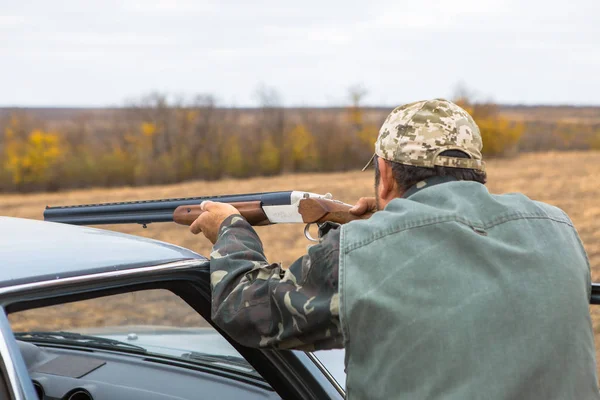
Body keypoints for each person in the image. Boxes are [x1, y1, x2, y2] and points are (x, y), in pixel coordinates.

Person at [190, 99, 600, 399]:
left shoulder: (360, 253)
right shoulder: (557, 227)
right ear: (476, 171)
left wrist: (229, 229)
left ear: (384, 176)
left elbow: (244, 310)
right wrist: (372, 230)